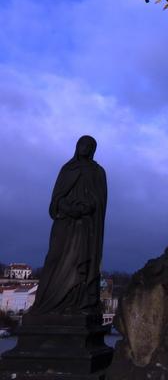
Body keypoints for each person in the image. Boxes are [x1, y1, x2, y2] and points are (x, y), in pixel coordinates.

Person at [31, 135, 107, 315]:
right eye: (82, 144)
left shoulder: (98, 171)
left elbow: (100, 199)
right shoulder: (67, 169)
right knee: (54, 257)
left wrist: (86, 207)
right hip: (65, 222)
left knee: (80, 260)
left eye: (89, 145)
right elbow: (56, 198)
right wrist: (66, 207)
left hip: (85, 225)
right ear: (77, 146)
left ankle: (76, 303)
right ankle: (44, 304)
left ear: (93, 149)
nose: (85, 148)